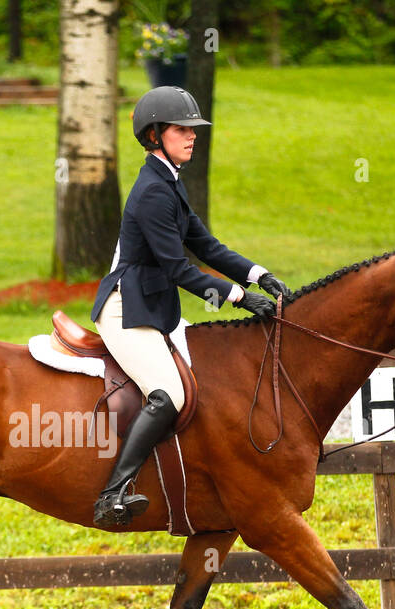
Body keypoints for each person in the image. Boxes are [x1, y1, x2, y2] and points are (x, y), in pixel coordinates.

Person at [88, 86, 288, 529]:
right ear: (155, 135)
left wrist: (258, 275)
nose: (192, 136)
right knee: (169, 393)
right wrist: (238, 297)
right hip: (125, 309)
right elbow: (179, 269)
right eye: (183, 129)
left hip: (152, 307)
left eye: (193, 130)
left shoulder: (169, 183)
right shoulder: (153, 192)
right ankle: (112, 493)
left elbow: (206, 245)